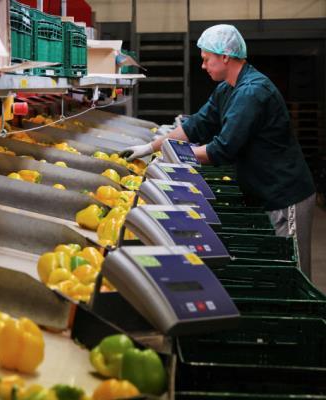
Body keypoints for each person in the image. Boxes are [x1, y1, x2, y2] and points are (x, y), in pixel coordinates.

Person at [123, 24, 316, 279]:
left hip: (285, 195)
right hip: (263, 191)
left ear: (225, 56)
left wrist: (173, 157)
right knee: (276, 266)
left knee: (294, 272)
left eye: (206, 59)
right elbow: (194, 126)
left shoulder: (251, 91)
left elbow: (222, 149)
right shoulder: (228, 88)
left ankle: (301, 318)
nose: (202, 66)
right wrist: (150, 147)